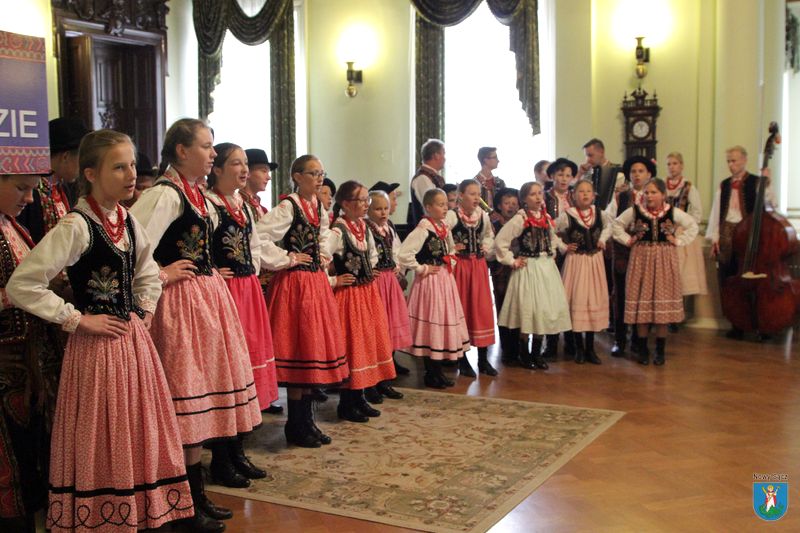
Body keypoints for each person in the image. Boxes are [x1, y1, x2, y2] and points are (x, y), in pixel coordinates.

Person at [8, 130, 194, 532]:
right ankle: (104, 516)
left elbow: (148, 275)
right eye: (119, 167)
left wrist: (143, 312)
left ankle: (137, 511)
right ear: (90, 173)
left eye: (132, 165)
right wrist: (77, 319)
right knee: (104, 429)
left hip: (132, 344)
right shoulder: (76, 225)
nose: (131, 175)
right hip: (95, 349)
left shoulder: (127, 221)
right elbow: (22, 284)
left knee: (135, 426)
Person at [130, 118, 262, 531]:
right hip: (178, 306)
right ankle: (183, 503)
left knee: (200, 398)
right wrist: (162, 273)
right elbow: (129, 246)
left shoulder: (195, 194)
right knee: (185, 398)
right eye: (206, 146)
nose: (212, 154)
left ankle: (195, 495)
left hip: (203, 300)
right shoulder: (164, 195)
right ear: (182, 151)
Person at [207, 143, 292, 488]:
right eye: (236, 164)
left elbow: (255, 246)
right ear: (217, 169)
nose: (244, 170)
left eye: (245, 164)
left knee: (247, 367)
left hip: (247, 290)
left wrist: (251, 270)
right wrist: (213, 271)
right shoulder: (208, 205)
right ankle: (221, 456)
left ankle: (238, 449)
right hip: (225, 293)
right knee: (227, 371)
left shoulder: (241, 205)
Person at [257, 155, 349, 447]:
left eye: (321, 173)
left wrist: (322, 253)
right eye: (313, 173)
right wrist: (286, 258)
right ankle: (295, 424)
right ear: (297, 177)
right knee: (299, 348)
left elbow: (323, 237)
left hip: (315, 283)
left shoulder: (317, 207)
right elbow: (258, 235)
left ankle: (306, 421)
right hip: (295, 285)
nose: (319, 178)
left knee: (312, 348)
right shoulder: (289, 206)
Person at [0, 159, 63, 533]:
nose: (29, 198)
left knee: (27, 463)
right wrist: (22, 295)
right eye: (21, 187)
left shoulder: (13, 225)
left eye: (33, 189)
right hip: (6, 367)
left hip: (28, 369)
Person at [326, 181, 396, 422]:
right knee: (353, 347)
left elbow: (372, 255)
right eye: (362, 200)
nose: (366, 204)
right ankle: (347, 402)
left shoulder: (363, 227)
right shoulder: (338, 231)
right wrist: (333, 280)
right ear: (346, 204)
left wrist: (371, 269)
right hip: (349, 297)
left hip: (367, 293)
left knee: (366, 344)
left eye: (368, 200)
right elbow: (320, 257)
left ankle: (360, 396)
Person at [613, 178, 698, 365]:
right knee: (642, 307)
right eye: (647, 192)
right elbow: (616, 225)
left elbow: (692, 225)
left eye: (654, 192)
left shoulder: (672, 212)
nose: (649, 196)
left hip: (664, 261)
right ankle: (642, 349)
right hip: (641, 259)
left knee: (661, 310)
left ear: (663, 194)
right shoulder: (635, 211)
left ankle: (660, 350)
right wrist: (628, 240)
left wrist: (678, 241)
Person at [495, 182, 572, 370]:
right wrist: (512, 260)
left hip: (546, 268)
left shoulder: (546, 217)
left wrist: (555, 252)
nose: (538, 197)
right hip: (528, 268)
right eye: (533, 194)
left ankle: (537, 353)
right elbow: (501, 241)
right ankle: (524, 353)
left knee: (543, 309)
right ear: (524, 199)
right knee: (528, 309)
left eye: (540, 193)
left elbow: (552, 238)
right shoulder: (520, 219)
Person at [398, 188, 469, 388]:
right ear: (428, 207)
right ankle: (431, 372)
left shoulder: (443, 227)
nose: (445, 208)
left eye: (446, 204)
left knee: (442, 320)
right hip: (429, 283)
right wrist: (422, 268)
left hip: (444, 280)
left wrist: (451, 260)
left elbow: (451, 248)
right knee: (432, 323)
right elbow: (404, 254)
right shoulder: (423, 229)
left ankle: (436, 371)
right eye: (440, 204)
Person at [705, 145, 774, 339]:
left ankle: (761, 325)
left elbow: (771, 205)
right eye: (728, 161)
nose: (731, 164)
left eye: (734, 160)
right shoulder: (724, 185)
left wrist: (767, 184)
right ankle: (737, 324)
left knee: (754, 282)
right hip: (727, 235)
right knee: (729, 281)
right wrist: (715, 238)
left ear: (744, 160)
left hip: (750, 237)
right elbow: (717, 214)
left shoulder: (756, 181)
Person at [241, 148, 284, 415]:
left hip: (264, 279)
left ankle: (262, 392)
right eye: (263, 170)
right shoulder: (241, 205)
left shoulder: (261, 208)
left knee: (261, 338)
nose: (267, 176)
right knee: (249, 338)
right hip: (250, 279)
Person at [556, 180, 613, 364]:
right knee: (578, 299)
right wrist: (563, 246)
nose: (585, 194)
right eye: (581, 191)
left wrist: (603, 238)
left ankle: (590, 348)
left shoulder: (600, 213)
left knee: (592, 301)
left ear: (594, 195)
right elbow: (550, 229)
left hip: (594, 262)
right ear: (573, 195)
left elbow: (610, 226)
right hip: (576, 262)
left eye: (589, 191)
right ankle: (578, 348)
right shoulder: (568, 215)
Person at [445, 179, 497, 377]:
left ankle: (483, 360)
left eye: (478, 194)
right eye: (472, 194)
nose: (476, 198)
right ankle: (462, 359)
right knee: (463, 309)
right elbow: (441, 234)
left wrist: (486, 246)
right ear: (461, 195)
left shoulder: (482, 215)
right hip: (460, 266)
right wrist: (452, 248)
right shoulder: (452, 215)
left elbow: (488, 235)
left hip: (478, 266)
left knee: (482, 309)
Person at [365, 189, 410, 399]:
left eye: (385, 208)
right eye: (378, 209)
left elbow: (397, 251)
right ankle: (371, 383)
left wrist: (397, 266)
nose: (383, 212)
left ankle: (385, 379)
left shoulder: (389, 228)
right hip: (375, 284)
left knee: (390, 327)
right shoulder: (366, 228)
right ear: (368, 209)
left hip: (389, 281)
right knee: (377, 331)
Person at [607, 155, 653, 358]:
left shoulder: (655, 196)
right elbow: (611, 222)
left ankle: (638, 339)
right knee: (621, 295)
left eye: (641, 171)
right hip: (623, 252)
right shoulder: (621, 197)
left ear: (649, 174)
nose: (637, 175)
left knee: (643, 294)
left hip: (647, 252)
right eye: (633, 171)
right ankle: (620, 340)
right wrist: (627, 240)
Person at [18, 117, 90, 243]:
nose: (84, 166)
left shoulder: (66, 189)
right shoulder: (30, 193)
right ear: (65, 157)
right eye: (82, 159)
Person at [664, 152, 708, 327]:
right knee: (665, 273)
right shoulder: (661, 186)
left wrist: (683, 225)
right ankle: (665, 313)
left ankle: (677, 315)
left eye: (675, 163)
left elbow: (697, 213)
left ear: (681, 165)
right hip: (664, 232)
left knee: (680, 273)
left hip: (681, 234)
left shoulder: (689, 187)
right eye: (669, 164)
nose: (672, 167)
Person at [542, 157, 578, 360]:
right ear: (552, 176)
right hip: (553, 251)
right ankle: (551, 343)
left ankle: (572, 341)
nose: (564, 179)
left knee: (571, 294)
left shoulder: (576, 196)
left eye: (568, 175)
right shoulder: (544, 197)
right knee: (552, 296)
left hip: (574, 251)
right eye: (560, 174)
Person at [489, 187, 520, 365]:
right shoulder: (494, 225)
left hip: (520, 269)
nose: (511, 206)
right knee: (503, 306)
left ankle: (519, 347)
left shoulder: (522, 222)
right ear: (499, 206)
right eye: (507, 203)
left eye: (514, 203)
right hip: (501, 271)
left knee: (519, 306)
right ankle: (507, 349)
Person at [407, 139, 446, 227]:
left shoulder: (431, 176)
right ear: (436, 155)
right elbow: (431, 208)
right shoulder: (423, 178)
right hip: (428, 229)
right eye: (443, 154)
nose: (445, 158)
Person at [578, 138, 623, 210]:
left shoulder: (619, 172)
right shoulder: (587, 173)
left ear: (601, 152)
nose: (587, 159)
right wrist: (579, 174)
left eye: (590, 155)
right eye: (586, 156)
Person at [240, 148, 277, 219]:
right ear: (247, 172)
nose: (269, 177)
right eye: (264, 171)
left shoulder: (263, 210)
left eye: (268, 172)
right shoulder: (236, 206)